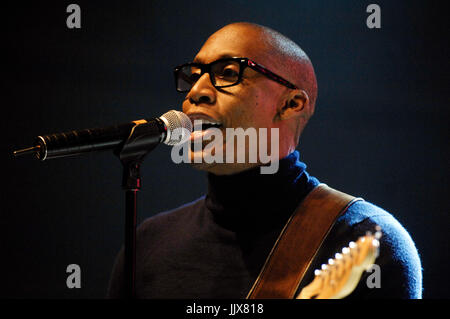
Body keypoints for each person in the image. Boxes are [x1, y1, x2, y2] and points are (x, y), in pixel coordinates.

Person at [107, 22, 422, 299]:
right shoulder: (148, 244)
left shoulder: (365, 241)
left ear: (291, 104)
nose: (196, 92)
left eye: (228, 73)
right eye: (193, 76)